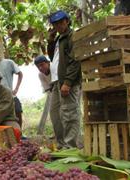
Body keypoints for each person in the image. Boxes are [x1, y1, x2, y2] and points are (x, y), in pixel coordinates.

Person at [46, 10, 82, 149]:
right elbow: (52, 58)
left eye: (61, 22)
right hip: (56, 82)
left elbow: (75, 60)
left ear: (67, 21)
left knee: (69, 114)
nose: (59, 26)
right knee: (55, 115)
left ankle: (71, 147)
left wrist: (68, 82)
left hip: (67, 82)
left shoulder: (72, 36)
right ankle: (62, 146)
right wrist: (50, 39)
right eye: (55, 24)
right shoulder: (58, 39)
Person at [0, 47, 24, 128]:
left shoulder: (9, 62)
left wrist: (16, 88)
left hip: (10, 95)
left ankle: (20, 134)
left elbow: (20, 74)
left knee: (18, 111)